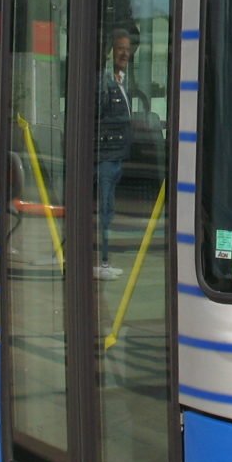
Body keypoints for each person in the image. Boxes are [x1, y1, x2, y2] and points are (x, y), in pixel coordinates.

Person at [95, 29, 135, 280]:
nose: (124, 54)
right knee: (104, 211)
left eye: (127, 49)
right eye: (120, 48)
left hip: (118, 156)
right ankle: (102, 260)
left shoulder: (121, 81)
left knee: (108, 210)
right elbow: (98, 117)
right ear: (109, 51)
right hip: (106, 158)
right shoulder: (104, 82)